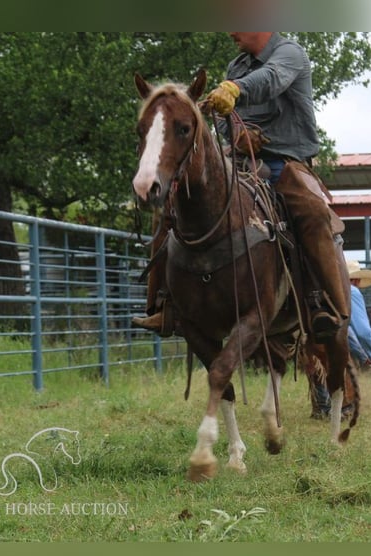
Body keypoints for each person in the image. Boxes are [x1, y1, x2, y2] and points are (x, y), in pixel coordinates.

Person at [133, 32, 348, 341]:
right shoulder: (236, 66)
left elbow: (271, 79)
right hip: (239, 162)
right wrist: (237, 132)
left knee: (312, 213)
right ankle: (163, 305)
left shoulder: (290, 54)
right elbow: (223, 118)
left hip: (286, 163)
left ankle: (324, 303)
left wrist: (235, 89)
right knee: (171, 207)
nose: (231, 31)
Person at [310, 260, 371, 419]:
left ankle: (322, 407)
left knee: (317, 362)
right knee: (342, 362)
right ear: (355, 280)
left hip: (314, 332)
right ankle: (344, 407)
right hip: (337, 337)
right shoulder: (351, 291)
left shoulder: (323, 291)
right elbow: (363, 332)